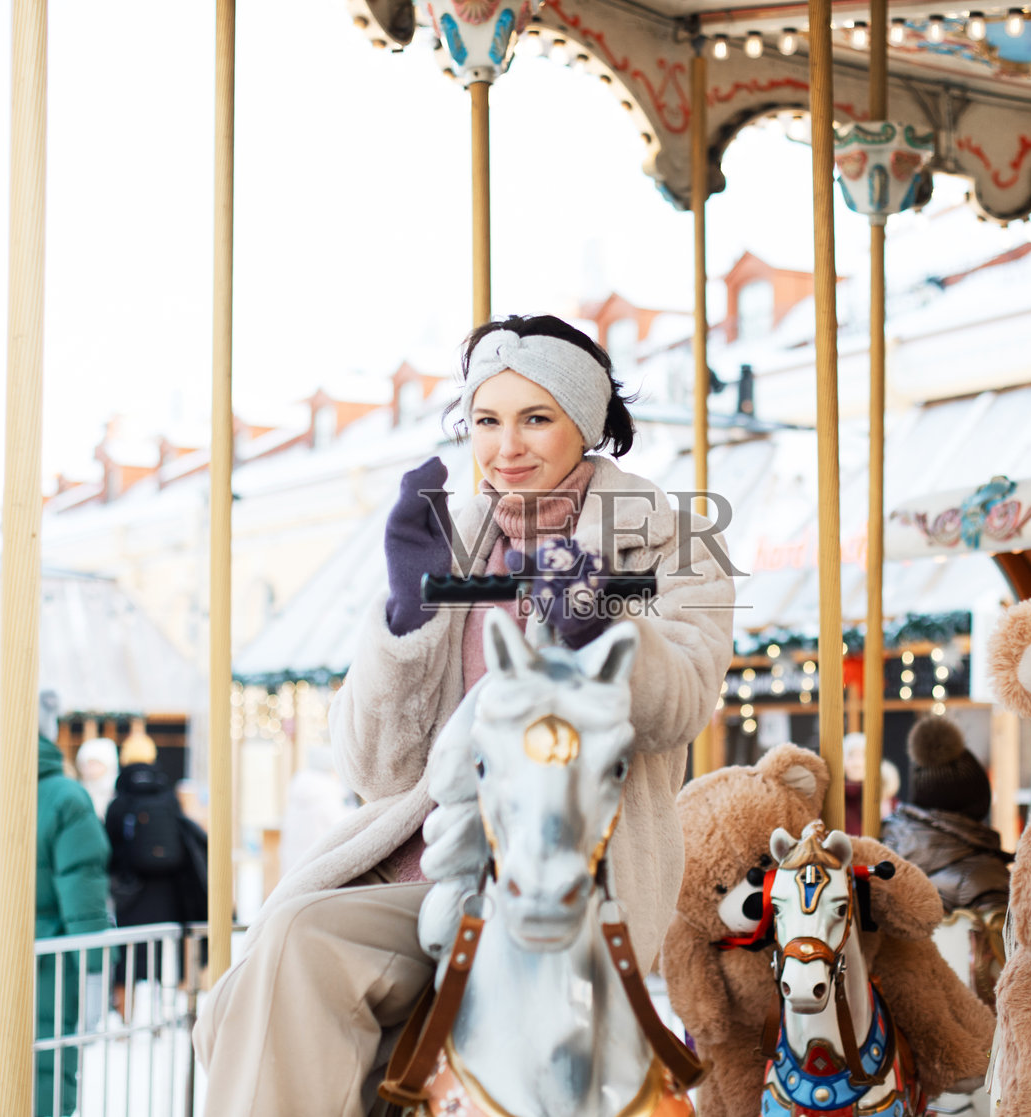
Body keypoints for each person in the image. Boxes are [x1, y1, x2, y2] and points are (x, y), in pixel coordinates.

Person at [192, 314, 736, 1117]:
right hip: (418, 861)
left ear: (584, 425)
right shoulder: (456, 542)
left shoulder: (666, 545)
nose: (505, 445)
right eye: (486, 420)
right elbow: (373, 768)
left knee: (302, 942)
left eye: (535, 418)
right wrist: (407, 621)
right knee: (278, 951)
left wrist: (605, 625)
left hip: (562, 868)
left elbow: (684, 695)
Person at [0, 689, 111, 1117]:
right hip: (44, 954)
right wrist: (93, 973)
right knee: (39, 1081)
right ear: (49, 728)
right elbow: (83, 894)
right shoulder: (67, 799)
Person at [880, 715, 1011, 1007]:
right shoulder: (986, 877)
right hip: (972, 1023)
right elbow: (1008, 973)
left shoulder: (885, 852)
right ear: (976, 802)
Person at [105, 731, 207, 1015]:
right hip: (166, 888)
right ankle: (162, 1016)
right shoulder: (168, 794)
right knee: (161, 954)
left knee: (127, 955)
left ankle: (126, 1018)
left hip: (130, 890)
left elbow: (110, 843)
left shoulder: (120, 798)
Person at [75, 736, 119, 819]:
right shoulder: (79, 790)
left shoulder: (116, 792)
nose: (89, 769)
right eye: (85, 764)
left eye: (95, 763)